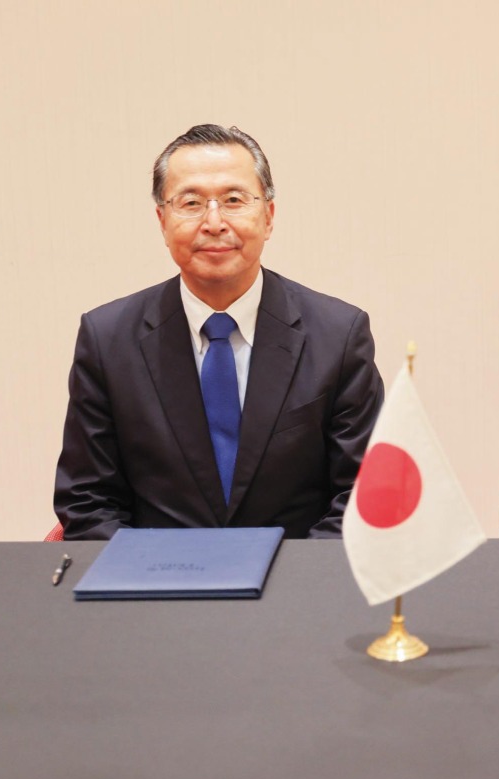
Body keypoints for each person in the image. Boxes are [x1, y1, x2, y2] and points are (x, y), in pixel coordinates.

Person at [55, 124, 383, 539]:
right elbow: (87, 499)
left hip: (296, 589)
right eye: (190, 202)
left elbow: (362, 495)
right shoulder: (107, 339)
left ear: (268, 216)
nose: (214, 222)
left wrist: (293, 590)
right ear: (162, 220)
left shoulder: (339, 335)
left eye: (233, 200)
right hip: (158, 588)